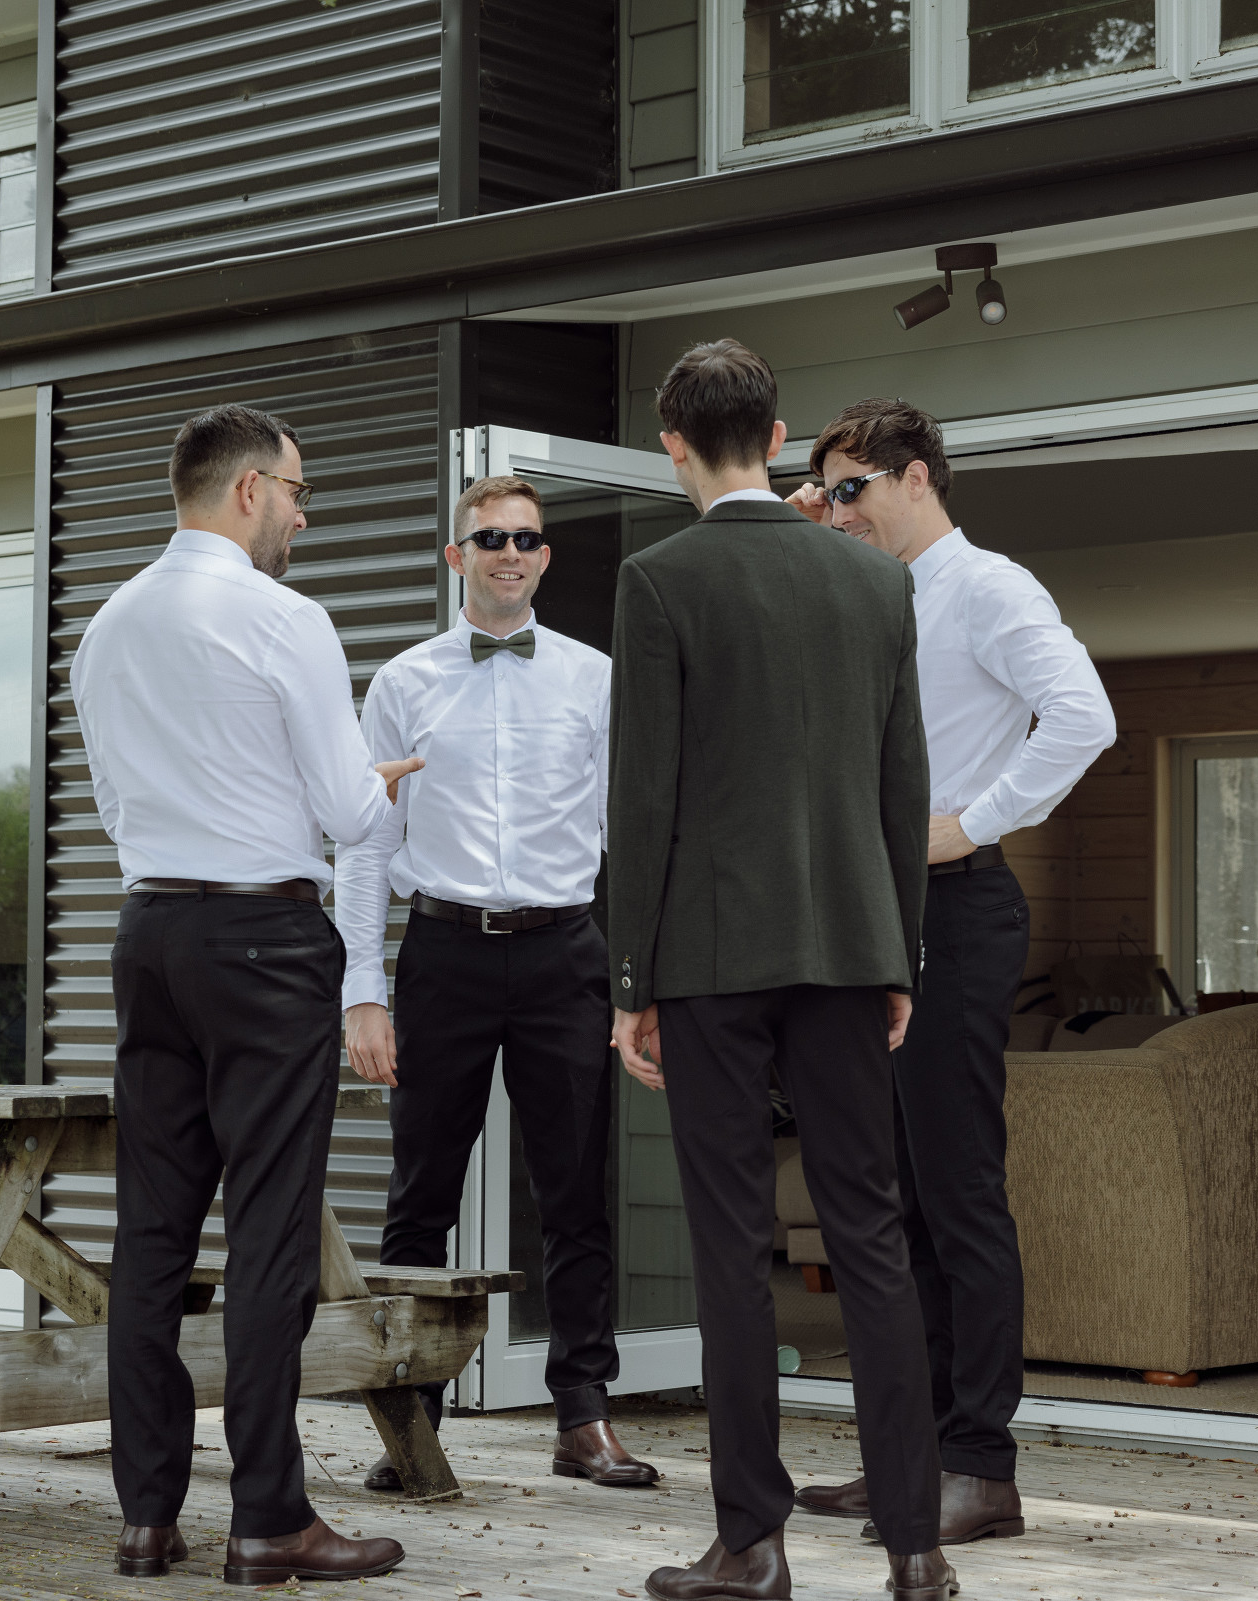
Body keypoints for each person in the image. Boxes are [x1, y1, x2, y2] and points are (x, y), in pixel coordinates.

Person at [608, 340, 955, 1601]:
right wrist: (900, 949)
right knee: (873, 1235)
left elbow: (643, 796)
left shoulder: (659, 580)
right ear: (776, 433)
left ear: (673, 445)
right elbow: (902, 779)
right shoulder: (874, 580)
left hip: (708, 956)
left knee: (729, 1246)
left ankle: (751, 1542)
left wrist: (630, 979)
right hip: (853, 945)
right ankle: (916, 1546)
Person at [72, 403, 424, 1586]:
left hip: (150, 932)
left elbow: (115, 803)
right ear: (246, 491)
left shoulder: (107, 624)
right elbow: (349, 811)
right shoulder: (286, 618)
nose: (303, 517)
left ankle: (147, 1514)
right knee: (270, 1230)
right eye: (297, 491)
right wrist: (380, 783)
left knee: (151, 1232)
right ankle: (269, 1516)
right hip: (265, 939)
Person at [784, 399, 1115, 1547]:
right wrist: (811, 527)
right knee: (893, 1199)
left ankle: (981, 1462)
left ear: (916, 477)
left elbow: (1084, 716)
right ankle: (911, 1452)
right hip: (869, 916)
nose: (838, 509)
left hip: (955, 912)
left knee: (958, 1193)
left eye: (853, 488)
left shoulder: (989, 588)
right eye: (825, 491)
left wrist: (973, 820)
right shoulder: (863, 590)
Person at [337, 473, 659, 1493]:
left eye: (525, 538)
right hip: (445, 953)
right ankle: (411, 1420)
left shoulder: (596, 678)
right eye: (490, 539)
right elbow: (365, 840)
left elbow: (628, 834)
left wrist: (636, 979)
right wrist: (361, 988)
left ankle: (583, 1415)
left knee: (575, 1193)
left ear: (545, 556)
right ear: (457, 556)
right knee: (419, 1193)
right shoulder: (403, 683)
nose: (509, 553)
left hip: (566, 953)